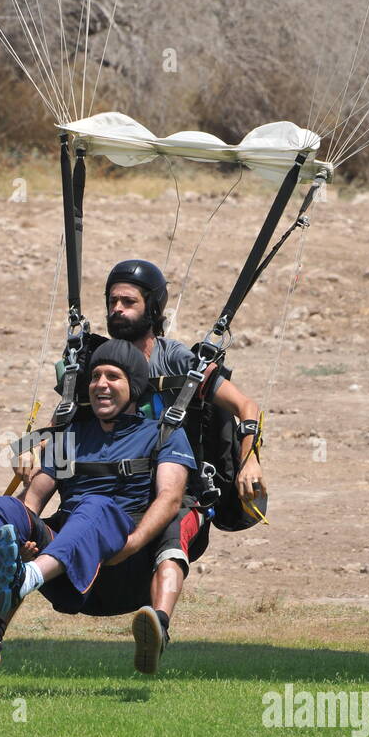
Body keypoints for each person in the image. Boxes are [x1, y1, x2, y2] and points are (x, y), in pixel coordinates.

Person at [0, 340, 197, 672]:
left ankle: (22, 581)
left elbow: (170, 499)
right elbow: (32, 502)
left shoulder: (163, 434)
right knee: (1, 507)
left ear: (134, 387)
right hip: (63, 559)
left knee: (94, 506)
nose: (100, 385)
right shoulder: (71, 438)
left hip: (123, 559)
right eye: (95, 377)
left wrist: (133, 545)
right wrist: (14, 539)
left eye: (112, 377)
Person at [103, 258, 267, 669]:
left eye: (128, 301)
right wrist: (37, 450)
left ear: (153, 309)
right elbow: (63, 421)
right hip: (116, 493)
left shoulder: (179, 361)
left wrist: (249, 462)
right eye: (112, 302)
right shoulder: (101, 363)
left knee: (172, 534)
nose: (117, 309)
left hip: (182, 496)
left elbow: (247, 406)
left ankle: (156, 626)